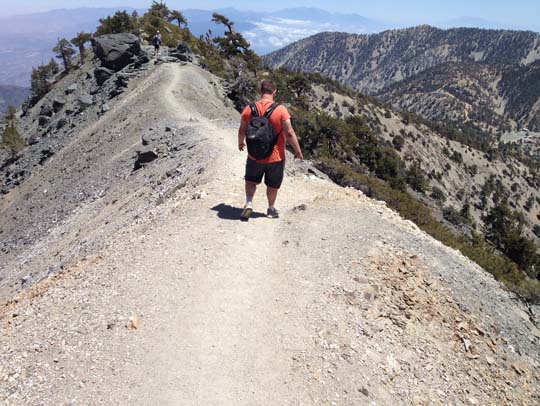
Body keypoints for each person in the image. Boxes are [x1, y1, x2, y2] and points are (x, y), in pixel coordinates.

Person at [238, 79, 303, 220]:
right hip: (276, 157)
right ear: (274, 92)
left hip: (254, 155)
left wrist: (240, 143)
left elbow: (242, 129)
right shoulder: (280, 110)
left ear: (260, 91)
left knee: (251, 181)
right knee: (273, 184)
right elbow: (290, 132)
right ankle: (270, 209)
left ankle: (249, 203)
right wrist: (297, 150)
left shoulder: (249, 109)